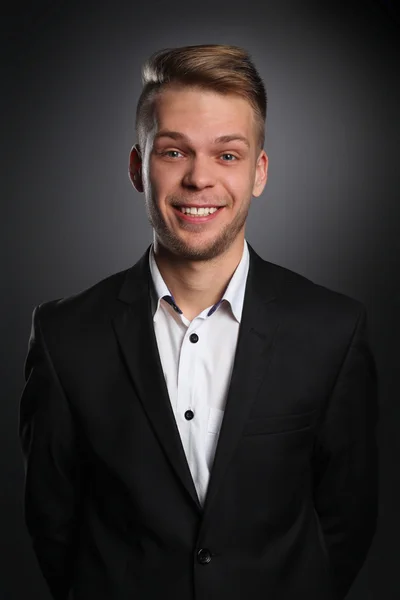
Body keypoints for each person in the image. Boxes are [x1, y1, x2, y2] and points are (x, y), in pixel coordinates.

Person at [19, 44, 379, 600]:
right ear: (139, 168)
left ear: (259, 171)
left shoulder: (333, 330)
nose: (198, 179)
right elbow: (53, 525)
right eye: (173, 152)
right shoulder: (66, 337)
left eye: (227, 155)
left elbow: (346, 519)